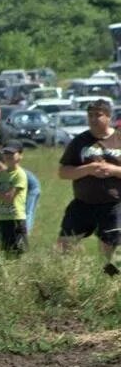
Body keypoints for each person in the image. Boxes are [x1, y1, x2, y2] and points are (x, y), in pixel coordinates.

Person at [56, 99, 121, 274]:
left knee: (107, 251)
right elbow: (63, 172)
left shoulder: (118, 138)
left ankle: (106, 287)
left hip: (112, 204)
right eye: (90, 115)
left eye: (98, 115)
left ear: (108, 116)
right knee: (64, 245)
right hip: (83, 203)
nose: (93, 119)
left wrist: (114, 170)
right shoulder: (80, 141)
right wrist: (88, 169)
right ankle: (68, 281)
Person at [0, 141, 29, 255]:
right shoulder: (1, 174)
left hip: (15, 218)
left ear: (20, 156)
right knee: (5, 250)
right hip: (2, 217)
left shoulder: (19, 174)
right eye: (5, 153)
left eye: (12, 153)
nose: (8, 156)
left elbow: (9, 198)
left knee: (18, 251)